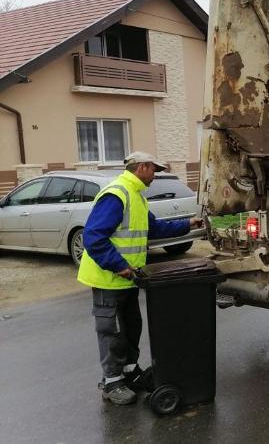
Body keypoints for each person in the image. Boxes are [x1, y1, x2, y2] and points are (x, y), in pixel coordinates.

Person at [77, 152, 203, 405]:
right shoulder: (117, 194)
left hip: (129, 278)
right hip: (108, 278)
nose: (155, 176)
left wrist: (188, 223)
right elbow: (94, 236)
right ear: (142, 167)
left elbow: (154, 228)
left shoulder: (136, 196)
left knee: (131, 327)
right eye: (153, 170)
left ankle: (129, 373)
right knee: (111, 331)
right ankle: (111, 383)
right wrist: (118, 265)